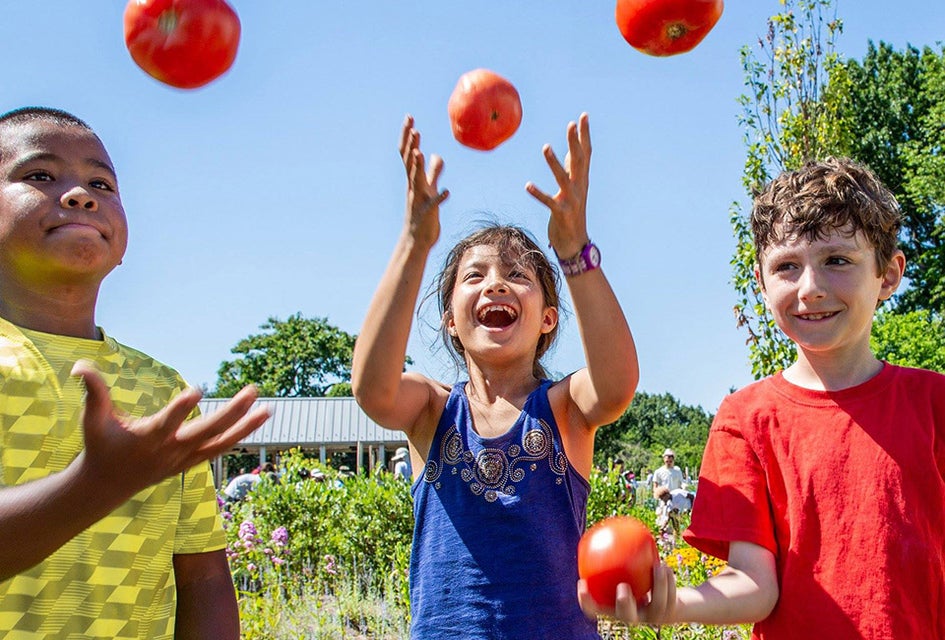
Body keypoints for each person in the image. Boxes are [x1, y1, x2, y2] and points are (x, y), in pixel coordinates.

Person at [578, 157, 945, 639]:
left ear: (889, 274)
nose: (810, 288)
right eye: (787, 267)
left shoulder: (934, 403)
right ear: (761, 281)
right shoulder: (744, 419)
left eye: (837, 260)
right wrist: (671, 604)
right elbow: (755, 583)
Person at [352, 113, 638, 639]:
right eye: (474, 275)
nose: (496, 286)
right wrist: (416, 242)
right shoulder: (430, 409)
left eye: (518, 276)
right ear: (451, 321)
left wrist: (574, 250)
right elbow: (372, 389)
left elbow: (617, 382)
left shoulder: (563, 408)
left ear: (548, 317)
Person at [0, 107, 272, 639]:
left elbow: (203, 577)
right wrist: (94, 485)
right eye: (40, 176)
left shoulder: (162, 389)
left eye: (101, 183)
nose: (81, 195)